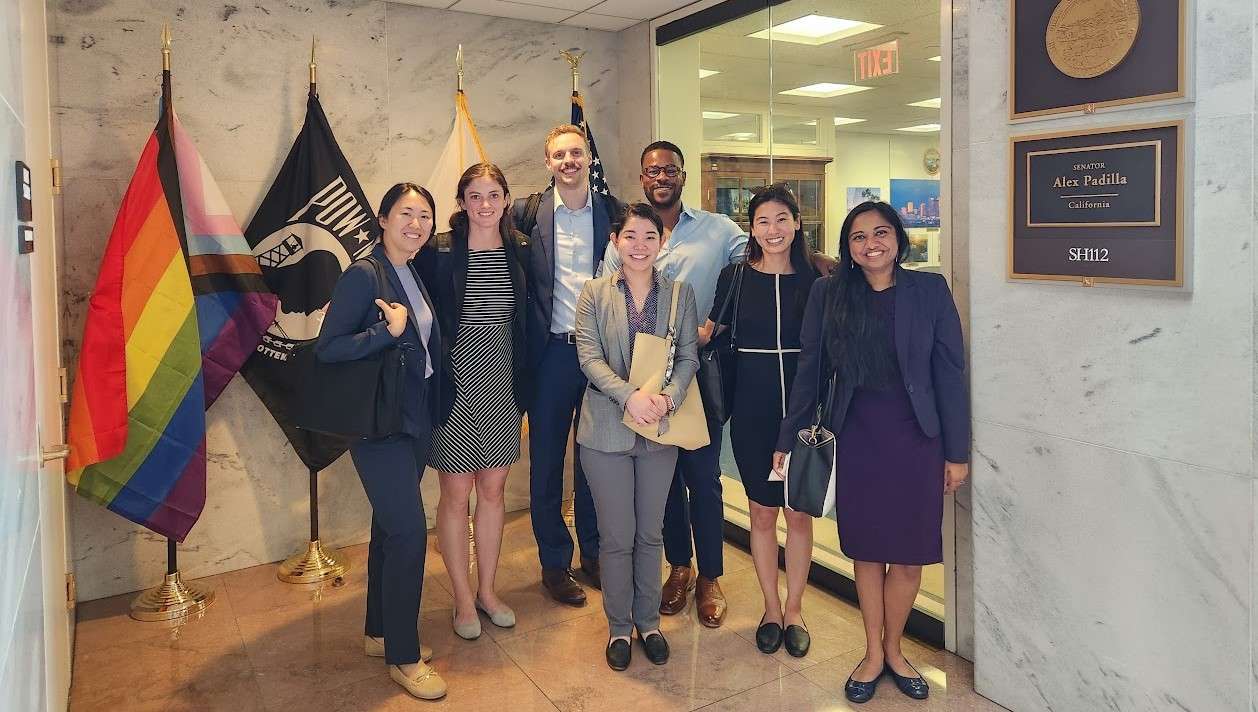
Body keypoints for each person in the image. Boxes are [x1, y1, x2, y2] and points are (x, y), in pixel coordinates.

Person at [773, 201, 970, 703]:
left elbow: (950, 375)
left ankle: (895, 650)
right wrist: (787, 438)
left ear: (899, 239)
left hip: (918, 442)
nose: (871, 244)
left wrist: (956, 452)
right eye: (858, 237)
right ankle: (872, 654)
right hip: (858, 439)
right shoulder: (829, 293)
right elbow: (810, 370)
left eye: (880, 233)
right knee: (867, 551)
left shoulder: (930, 290)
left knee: (908, 558)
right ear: (848, 247)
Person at [602, 140, 745, 627]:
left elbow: (757, 262)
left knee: (703, 480)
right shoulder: (628, 234)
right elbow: (605, 295)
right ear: (642, 178)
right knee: (662, 484)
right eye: (651, 171)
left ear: (683, 175)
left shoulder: (718, 230)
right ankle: (679, 568)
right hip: (643, 381)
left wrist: (720, 322)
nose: (660, 177)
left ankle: (711, 577)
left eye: (669, 170)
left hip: (698, 372)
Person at [315, 183, 448, 701]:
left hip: (413, 419)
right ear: (384, 218)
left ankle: (379, 632)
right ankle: (404, 656)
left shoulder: (411, 270)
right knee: (410, 533)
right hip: (379, 426)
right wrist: (383, 334)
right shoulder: (363, 274)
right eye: (406, 213)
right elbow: (328, 348)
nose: (416, 224)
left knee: (389, 529)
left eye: (425, 215)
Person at [574, 202, 700, 671]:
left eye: (650, 236)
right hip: (605, 429)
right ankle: (619, 628)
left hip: (659, 430)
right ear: (615, 241)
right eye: (630, 236)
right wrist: (630, 397)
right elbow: (589, 358)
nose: (640, 245)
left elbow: (688, 357)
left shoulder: (679, 294)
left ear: (662, 242)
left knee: (650, 533)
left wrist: (668, 398)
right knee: (616, 537)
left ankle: (649, 623)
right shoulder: (593, 293)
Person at [703, 184, 819, 657]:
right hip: (751, 411)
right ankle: (771, 608)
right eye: (763, 221)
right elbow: (709, 332)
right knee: (762, 513)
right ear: (751, 229)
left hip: (805, 414)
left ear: (797, 223)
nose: (773, 230)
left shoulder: (816, 280)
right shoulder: (734, 277)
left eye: (781, 219)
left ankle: (795, 610)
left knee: (800, 514)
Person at [417, 163, 528, 641]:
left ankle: (487, 591)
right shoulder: (439, 249)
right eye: (475, 196)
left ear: (506, 200)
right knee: (456, 492)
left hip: (502, 383)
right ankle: (462, 598)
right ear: (462, 202)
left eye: (493, 195)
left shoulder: (521, 249)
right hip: (454, 385)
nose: (485, 204)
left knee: (493, 491)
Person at [512, 124, 621, 606]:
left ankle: (593, 555)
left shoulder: (612, 212)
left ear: (588, 158)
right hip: (551, 356)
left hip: (599, 354)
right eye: (560, 155)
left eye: (577, 153)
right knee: (547, 463)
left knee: (594, 459)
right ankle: (554, 563)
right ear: (548, 161)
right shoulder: (526, 213)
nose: (569, 161)